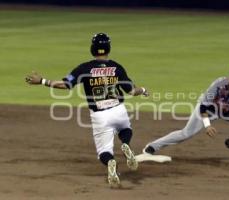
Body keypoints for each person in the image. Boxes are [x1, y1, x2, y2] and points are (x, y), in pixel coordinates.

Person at [25, 33, 149, 187]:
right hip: (119, 110)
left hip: (100, 116)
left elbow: (66, 85)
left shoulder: (84, 68)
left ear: (93, 48)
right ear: (108, 48)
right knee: (125, 128)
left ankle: (111, 162)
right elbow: (131, 91)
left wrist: (43, 81)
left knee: (104, 151)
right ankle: (125, 144)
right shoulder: (117, 67)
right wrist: (143, 90)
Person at [143, 64, 229, 166]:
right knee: (185, 133)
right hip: (209, 110)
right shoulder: (219, 85)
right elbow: (204, 107)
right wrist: (207, 125)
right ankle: (152, 146)